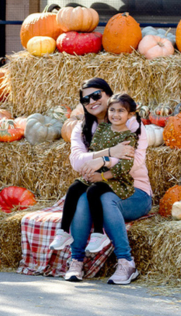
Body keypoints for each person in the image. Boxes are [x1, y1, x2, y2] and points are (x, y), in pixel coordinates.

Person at [64, 77, 152, 285]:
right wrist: (110, 153)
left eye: (96, 95)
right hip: (101, 187)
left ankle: (126, 262)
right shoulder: (81, 128)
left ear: (108, 95)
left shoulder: (131, 124)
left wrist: (102, 161)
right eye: (86, 99)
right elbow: (77, 162)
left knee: (104, 199)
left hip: (134, 192)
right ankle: (76, 260)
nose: (92, 101)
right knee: (84, 197)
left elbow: (135, 163)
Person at [50, 93, 141, 254]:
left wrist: (102, 175)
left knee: (93, 191)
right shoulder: (103, 129)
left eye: (121, 111)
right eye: (112, 110)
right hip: (96, 174)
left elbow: (125, 166)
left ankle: (99, 233)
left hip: (116, 179)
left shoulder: (129, 137)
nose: (116, 114)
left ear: (130, 114)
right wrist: (90, 171)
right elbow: (94, 151)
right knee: (74, 188)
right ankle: (63, 231)